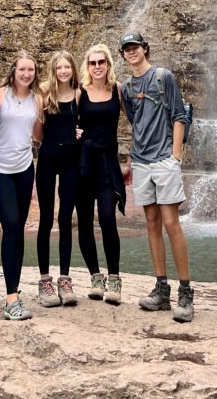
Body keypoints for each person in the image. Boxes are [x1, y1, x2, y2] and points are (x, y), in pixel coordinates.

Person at [120, 30, 194, 323]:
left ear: (145, 48)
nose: (131, 52)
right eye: (127, 49)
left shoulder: (164, 77)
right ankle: (161, 289)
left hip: (164, 160)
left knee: (171, 223)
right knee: (151, 224)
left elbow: (179, 115)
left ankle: (186, 291)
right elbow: (134, 120)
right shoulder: (126, 87)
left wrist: (175, 155)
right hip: (141, 162)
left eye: (135, 47)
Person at [0, 50, 43, 321]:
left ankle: (14, 291)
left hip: (25, 169)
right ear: (14, 71)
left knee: (18, 228)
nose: (26, 74)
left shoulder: (38, 100)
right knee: (11, 224)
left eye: (31, 70)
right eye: (22, 69)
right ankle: (11, 298)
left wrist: (71, 132)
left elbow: (38, 135)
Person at [76, 43, 126, 305]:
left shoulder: (117, 90)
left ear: (108, 64)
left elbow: (137, 117)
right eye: (92, 63)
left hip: (107, 162)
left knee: (107, 218)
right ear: (87, 66)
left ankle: (115, 278)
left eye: (101, 62)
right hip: (83, 163)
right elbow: (64, 119)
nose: (97, 67)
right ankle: (96, 276)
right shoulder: (79, 93)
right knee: (84, 221)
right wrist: (70, 134)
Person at [34, 51, 81, 307]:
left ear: (73, 69)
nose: (63, 71)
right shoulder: (44, 93)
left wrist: (80, 132)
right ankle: (44, 281)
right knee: (45, 218)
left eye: (67, 67)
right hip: (48, 157)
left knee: (65, 218)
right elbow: (37, 130)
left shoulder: (78, 94)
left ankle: (65, 279)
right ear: (53, 70)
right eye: (59, 67)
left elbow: (84, 121)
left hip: (71, 159)